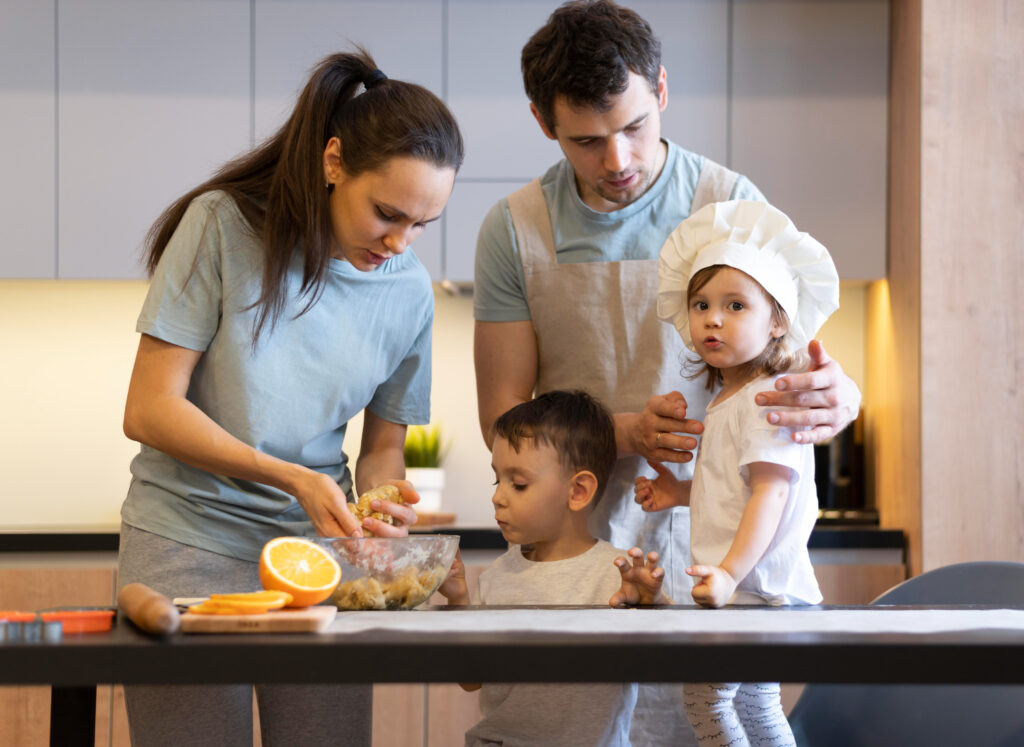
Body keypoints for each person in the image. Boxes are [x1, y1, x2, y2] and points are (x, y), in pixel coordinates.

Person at [471, 2, 860, 741]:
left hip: (715, 528)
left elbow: (792, 363)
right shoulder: (515, 229)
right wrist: (620, 433)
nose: (618, 160)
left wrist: (840, 395)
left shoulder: (730, 206)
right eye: (587, 141)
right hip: (573, 540)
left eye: (635, 127)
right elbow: (502, 419)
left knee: (713, 717)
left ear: (662, 89)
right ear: (542, 122)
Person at [116, 49, 463, 745]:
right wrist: (293, 477)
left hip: (320, 560)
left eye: (422, 224)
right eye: (387, 213)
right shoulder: (222, 226)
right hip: (186, 544)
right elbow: (149, 409)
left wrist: (384, 508)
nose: (400, 243)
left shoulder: (408, 293)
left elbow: (383, 449)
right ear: (334, 162)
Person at [632, 199, 839, 746]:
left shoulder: (766, 402)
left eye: (735, 305)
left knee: (706, 699)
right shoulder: (733, 399)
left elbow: (770, 497)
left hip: (752, 589)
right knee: (752, 701)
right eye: (701, 304)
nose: (713, 318)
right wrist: (679, 492)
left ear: (778, 323)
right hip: (751, 590)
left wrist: (727, 573)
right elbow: (735, 489)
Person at [440, 389, 660, 747]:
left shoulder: (617, 576)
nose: (497, 496)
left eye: (518, 484)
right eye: (497, 480)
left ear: (578, 491)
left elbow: (660, 662)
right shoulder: (496, 577)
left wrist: (654, 604)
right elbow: (470, 679)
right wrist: (459, 600)